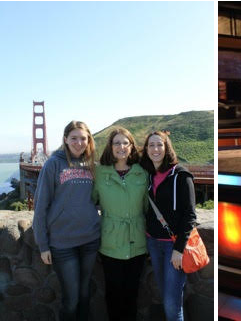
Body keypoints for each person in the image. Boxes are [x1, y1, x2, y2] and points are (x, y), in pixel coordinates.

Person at [33, 120, 100, 321]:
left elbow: (97, 200)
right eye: (74, 138)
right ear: (65, 139)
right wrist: (43, 245)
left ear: (88, 140)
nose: (78, 142)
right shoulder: (53, 164)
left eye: (83, 138)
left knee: (85, 294)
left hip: (90, 239)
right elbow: (40, 205)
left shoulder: (93, 166)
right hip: (62, 243)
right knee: (71, 300)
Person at [92, 127, 148, 321]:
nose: (121, 146)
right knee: (113, 294)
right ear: (110, 147)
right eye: (117, 143)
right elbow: (89, 202)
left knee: (132, 294)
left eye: (126, 143)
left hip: (137, 242)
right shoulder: (99, 173)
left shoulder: (143, 172)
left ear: (132, 146)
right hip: (110, 243)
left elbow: (149, 206)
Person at [139, 131, 197, 321]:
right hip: (153, 243)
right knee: (165, 295)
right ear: (146, 149)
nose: (155, 149)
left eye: (159, 145)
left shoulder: (181, 175)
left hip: (174, 247)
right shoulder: (147, 175)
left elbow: (190, 216)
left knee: (172, 304)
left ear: (166, 147)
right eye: (151, 145)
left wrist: (179, 250)